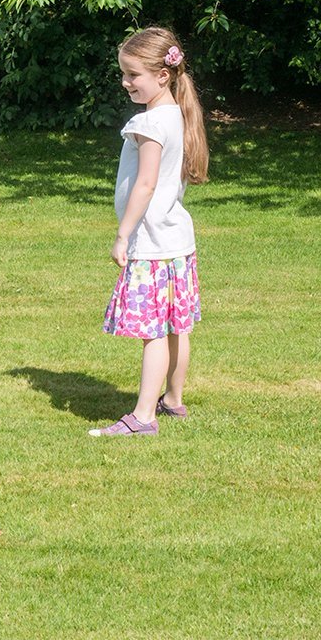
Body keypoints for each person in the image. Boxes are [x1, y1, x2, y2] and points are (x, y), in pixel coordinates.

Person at [89, 27, 209, 437]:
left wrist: (123, 235)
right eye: (123, 73)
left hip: (153, 243)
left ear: (162, 75)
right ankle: (173, 401)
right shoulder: (176, 113)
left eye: (132, 74)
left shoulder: (149, 122)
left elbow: (146, 183)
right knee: (178, 326)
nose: (125, 82)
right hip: (177, 240)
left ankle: (143, 417)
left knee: (153, 331)